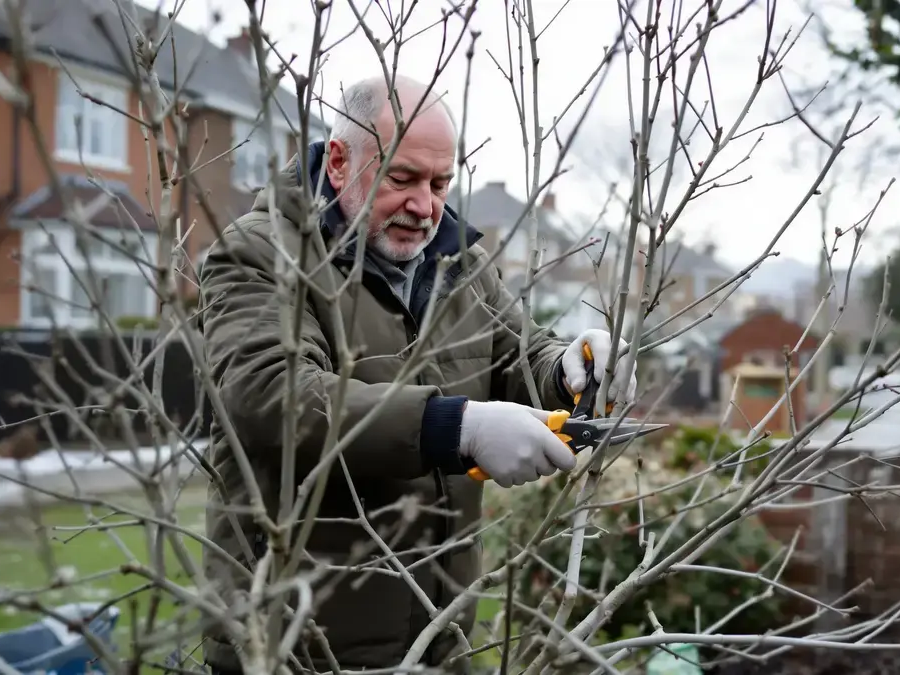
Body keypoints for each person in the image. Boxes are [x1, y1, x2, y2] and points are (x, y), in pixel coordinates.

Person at [196, 74, 638, 673]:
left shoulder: (460, 264)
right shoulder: (263, 253)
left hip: (438, 638)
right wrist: (456, 428)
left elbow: (516, 356)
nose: (425, 206)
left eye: (439, 183)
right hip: (297, 646)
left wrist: (569, 367)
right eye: (401, 178)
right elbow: (271, 396)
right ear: (338, 162)